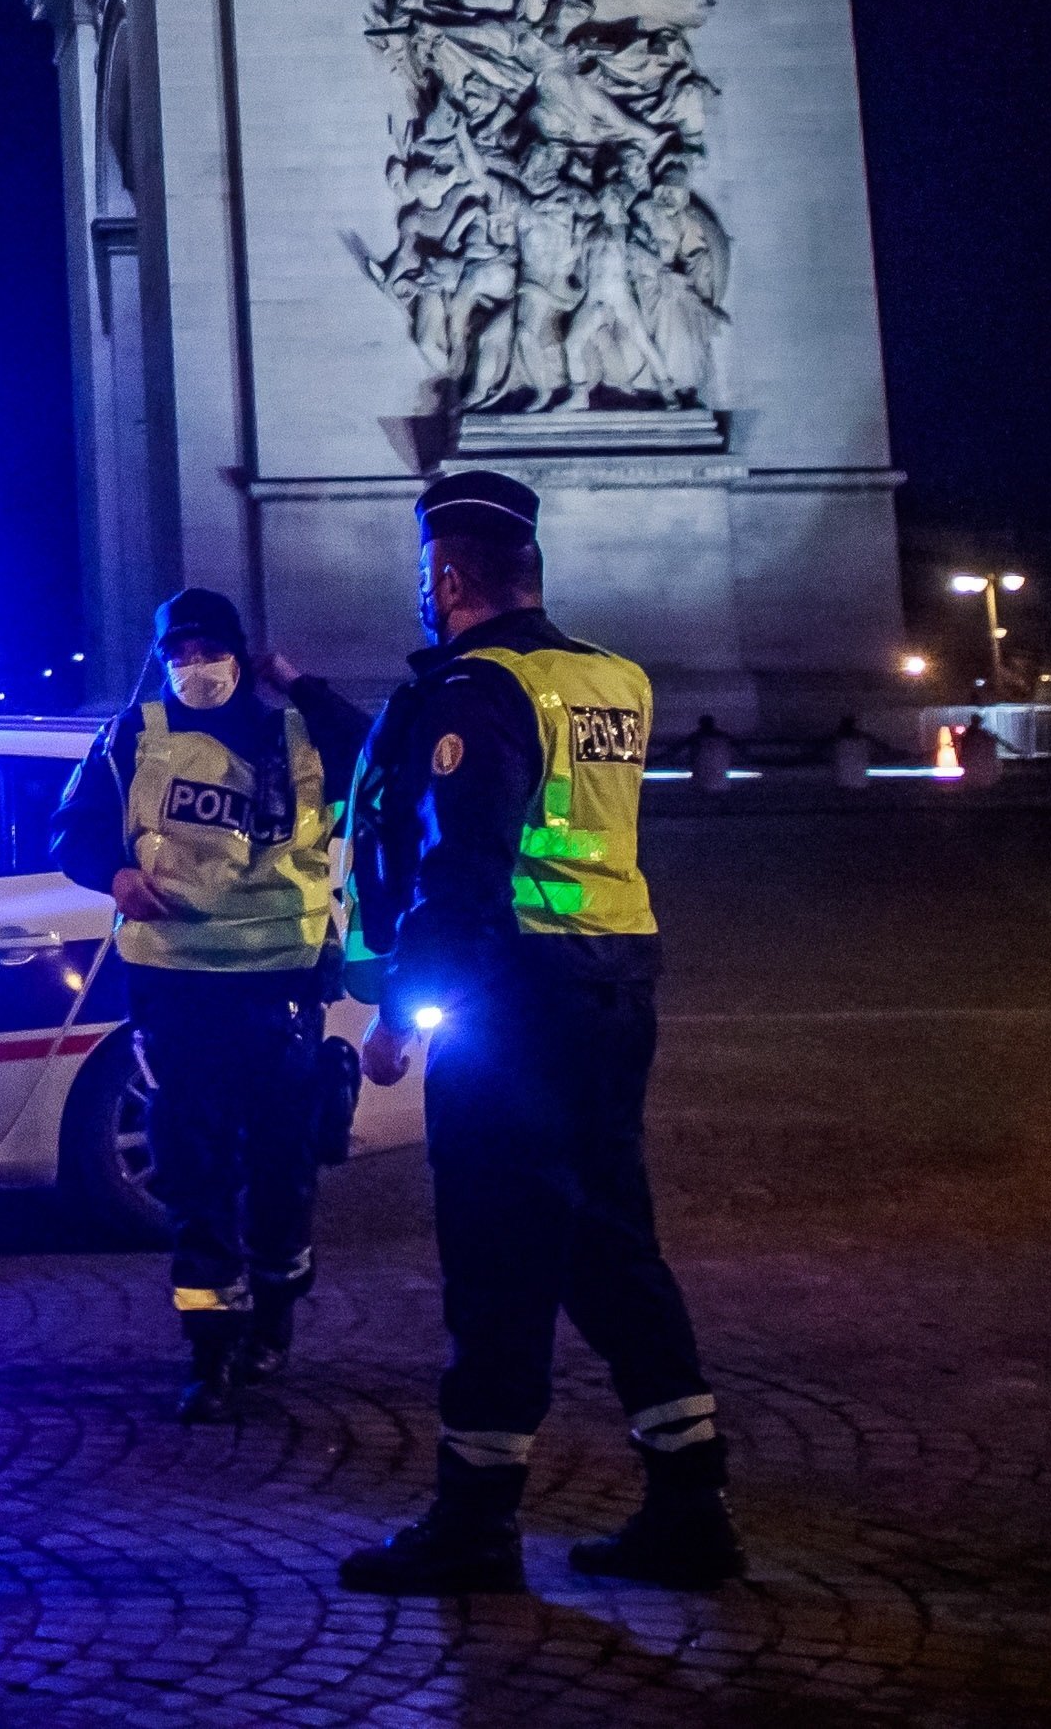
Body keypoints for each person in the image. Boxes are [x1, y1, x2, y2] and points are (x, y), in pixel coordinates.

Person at [334, 465, 742, 1594]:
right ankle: (688, 1500)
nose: (424, 594)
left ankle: (472, 1525)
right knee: (613, 1245)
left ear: (450, 573)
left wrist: (398, 1017)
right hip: (614, 988)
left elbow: (458, 870)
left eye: (428, 574)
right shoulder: (610, 678)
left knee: (496, 1257)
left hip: (513, 1005)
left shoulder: (477, 690)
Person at [49, 585, 370, 1419]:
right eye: (179, 653)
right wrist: (113, 872)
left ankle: (273, 1320)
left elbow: (379, 760)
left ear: (240, 654)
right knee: (194, 1172)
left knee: (282, 1168)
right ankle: (210, 1352)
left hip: (284, 986)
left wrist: (299, 684)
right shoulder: (135, 735)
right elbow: (72, 830)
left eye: (208, 650)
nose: (194, 667)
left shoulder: (298, 732)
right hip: (179, 985)